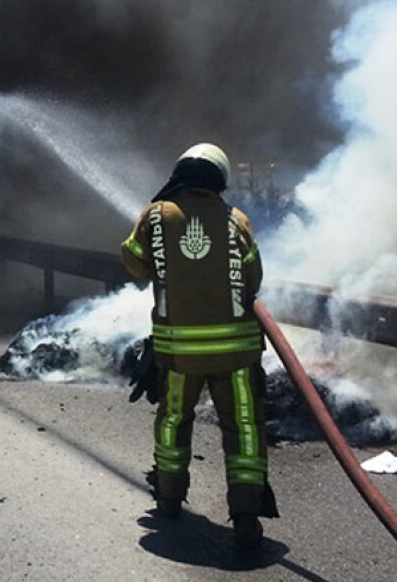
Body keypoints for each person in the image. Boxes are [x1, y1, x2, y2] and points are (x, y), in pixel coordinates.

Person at [120, 142, 277, 550]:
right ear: (220, 179)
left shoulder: (157, 217)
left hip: (179, 355)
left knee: (174, 422)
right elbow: (253, 277)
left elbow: (133, 262)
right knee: (243, 429)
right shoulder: (237, 220)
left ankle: (170, 498)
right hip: (238, 354)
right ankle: (245, 514)